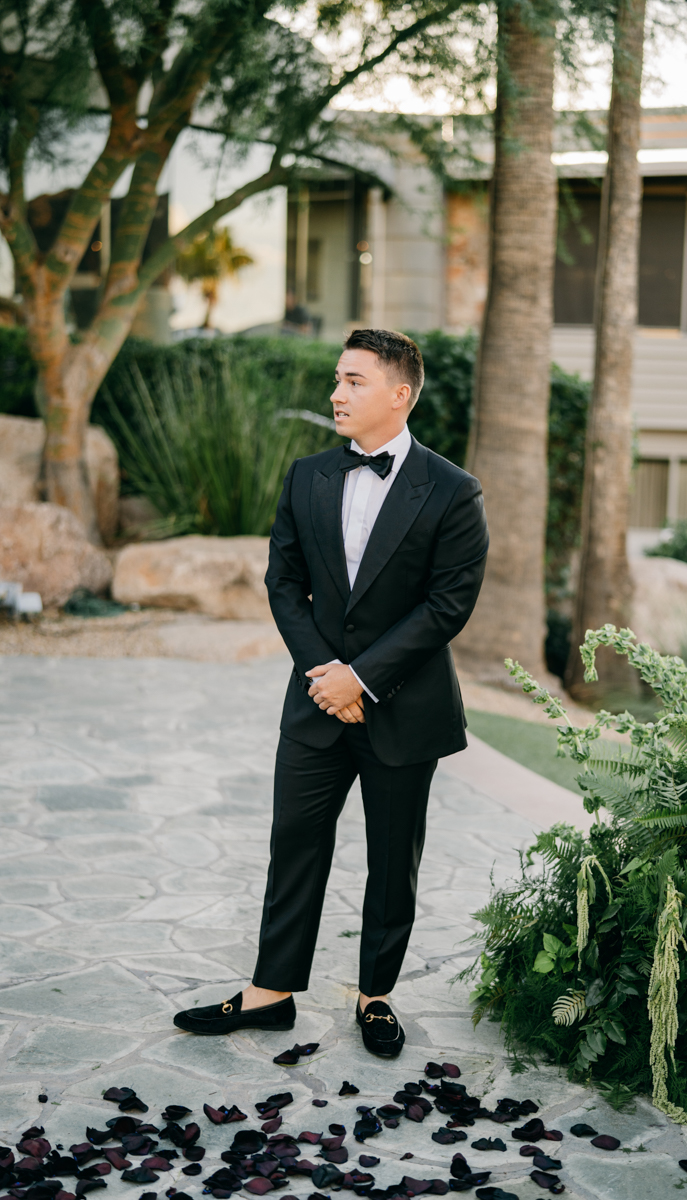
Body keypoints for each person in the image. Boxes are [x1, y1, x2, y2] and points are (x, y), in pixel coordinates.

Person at [173, 328, 489, 1057]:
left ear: (399, 395)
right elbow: (283, 583)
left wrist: (365, 678)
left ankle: (375, 996)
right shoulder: (307, 475)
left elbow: (447, 606)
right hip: (317, 703)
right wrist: (328, 677)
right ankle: (271, 991)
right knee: (294, 843)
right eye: (337, 380)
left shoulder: (451, 491)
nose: (336, 394)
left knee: (392, 859)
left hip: (405, 709)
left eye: (353, 381)